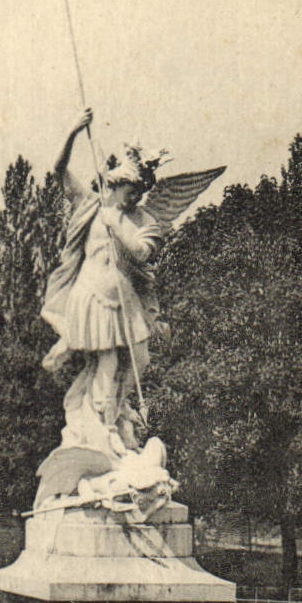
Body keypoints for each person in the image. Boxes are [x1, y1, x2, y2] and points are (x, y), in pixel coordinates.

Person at [36, 109, 224, 503]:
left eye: (138, 192)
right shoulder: (89, 205)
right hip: (92, 299)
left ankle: (118, 427)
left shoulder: (141, 219)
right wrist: (73, 130)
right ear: (115, 184)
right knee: (105, 364)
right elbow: (57, 170)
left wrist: (117, 221)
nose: (134, 197)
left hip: (126, 303)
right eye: (128, 191)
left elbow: (141, 253)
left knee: (135, 363)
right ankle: (102, 433)